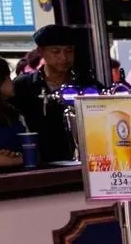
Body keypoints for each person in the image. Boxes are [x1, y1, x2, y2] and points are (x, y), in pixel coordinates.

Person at [12, 25, 81, 163]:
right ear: (41, 52)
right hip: (37, 162)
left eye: (69, 51)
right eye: (56, 51)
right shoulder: (23, 86)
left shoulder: (86, 85)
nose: (64, 57)